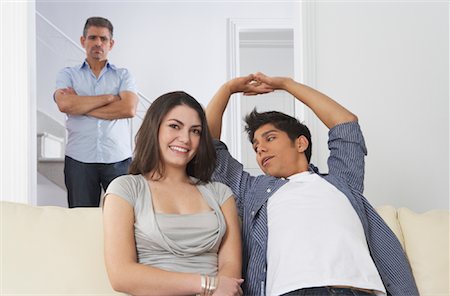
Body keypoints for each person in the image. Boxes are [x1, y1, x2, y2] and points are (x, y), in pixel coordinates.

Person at [206, 73, 419, 296]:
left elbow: (345, 123)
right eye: (256, 146)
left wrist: (286, 84)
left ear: (300, 143)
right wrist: (228, 88)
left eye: (270, 138)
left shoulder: (341, 181)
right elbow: (210, 151)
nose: (260, 149)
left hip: (357, 291)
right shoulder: (254, 192)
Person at [103, 91, 244, 296]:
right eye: (174, 126)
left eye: (195, 131)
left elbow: (230, 268)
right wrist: (208, 284)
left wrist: (219, 290)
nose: (185, 139)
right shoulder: (125, 189)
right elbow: (121, 275)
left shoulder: (221, 194)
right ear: (155, 128)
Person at [54, 17, 138, 208]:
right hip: (79, 159)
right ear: (83, 41)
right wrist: (109, 98)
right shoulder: (68, 74)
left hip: (118, 159)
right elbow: (65, 104)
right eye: (92, 38)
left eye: (103, 39)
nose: (98, 43)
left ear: (111, 44)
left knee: (124, 217)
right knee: (81, 220)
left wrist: (82, 105)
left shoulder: (124, 75)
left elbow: (128, 109)